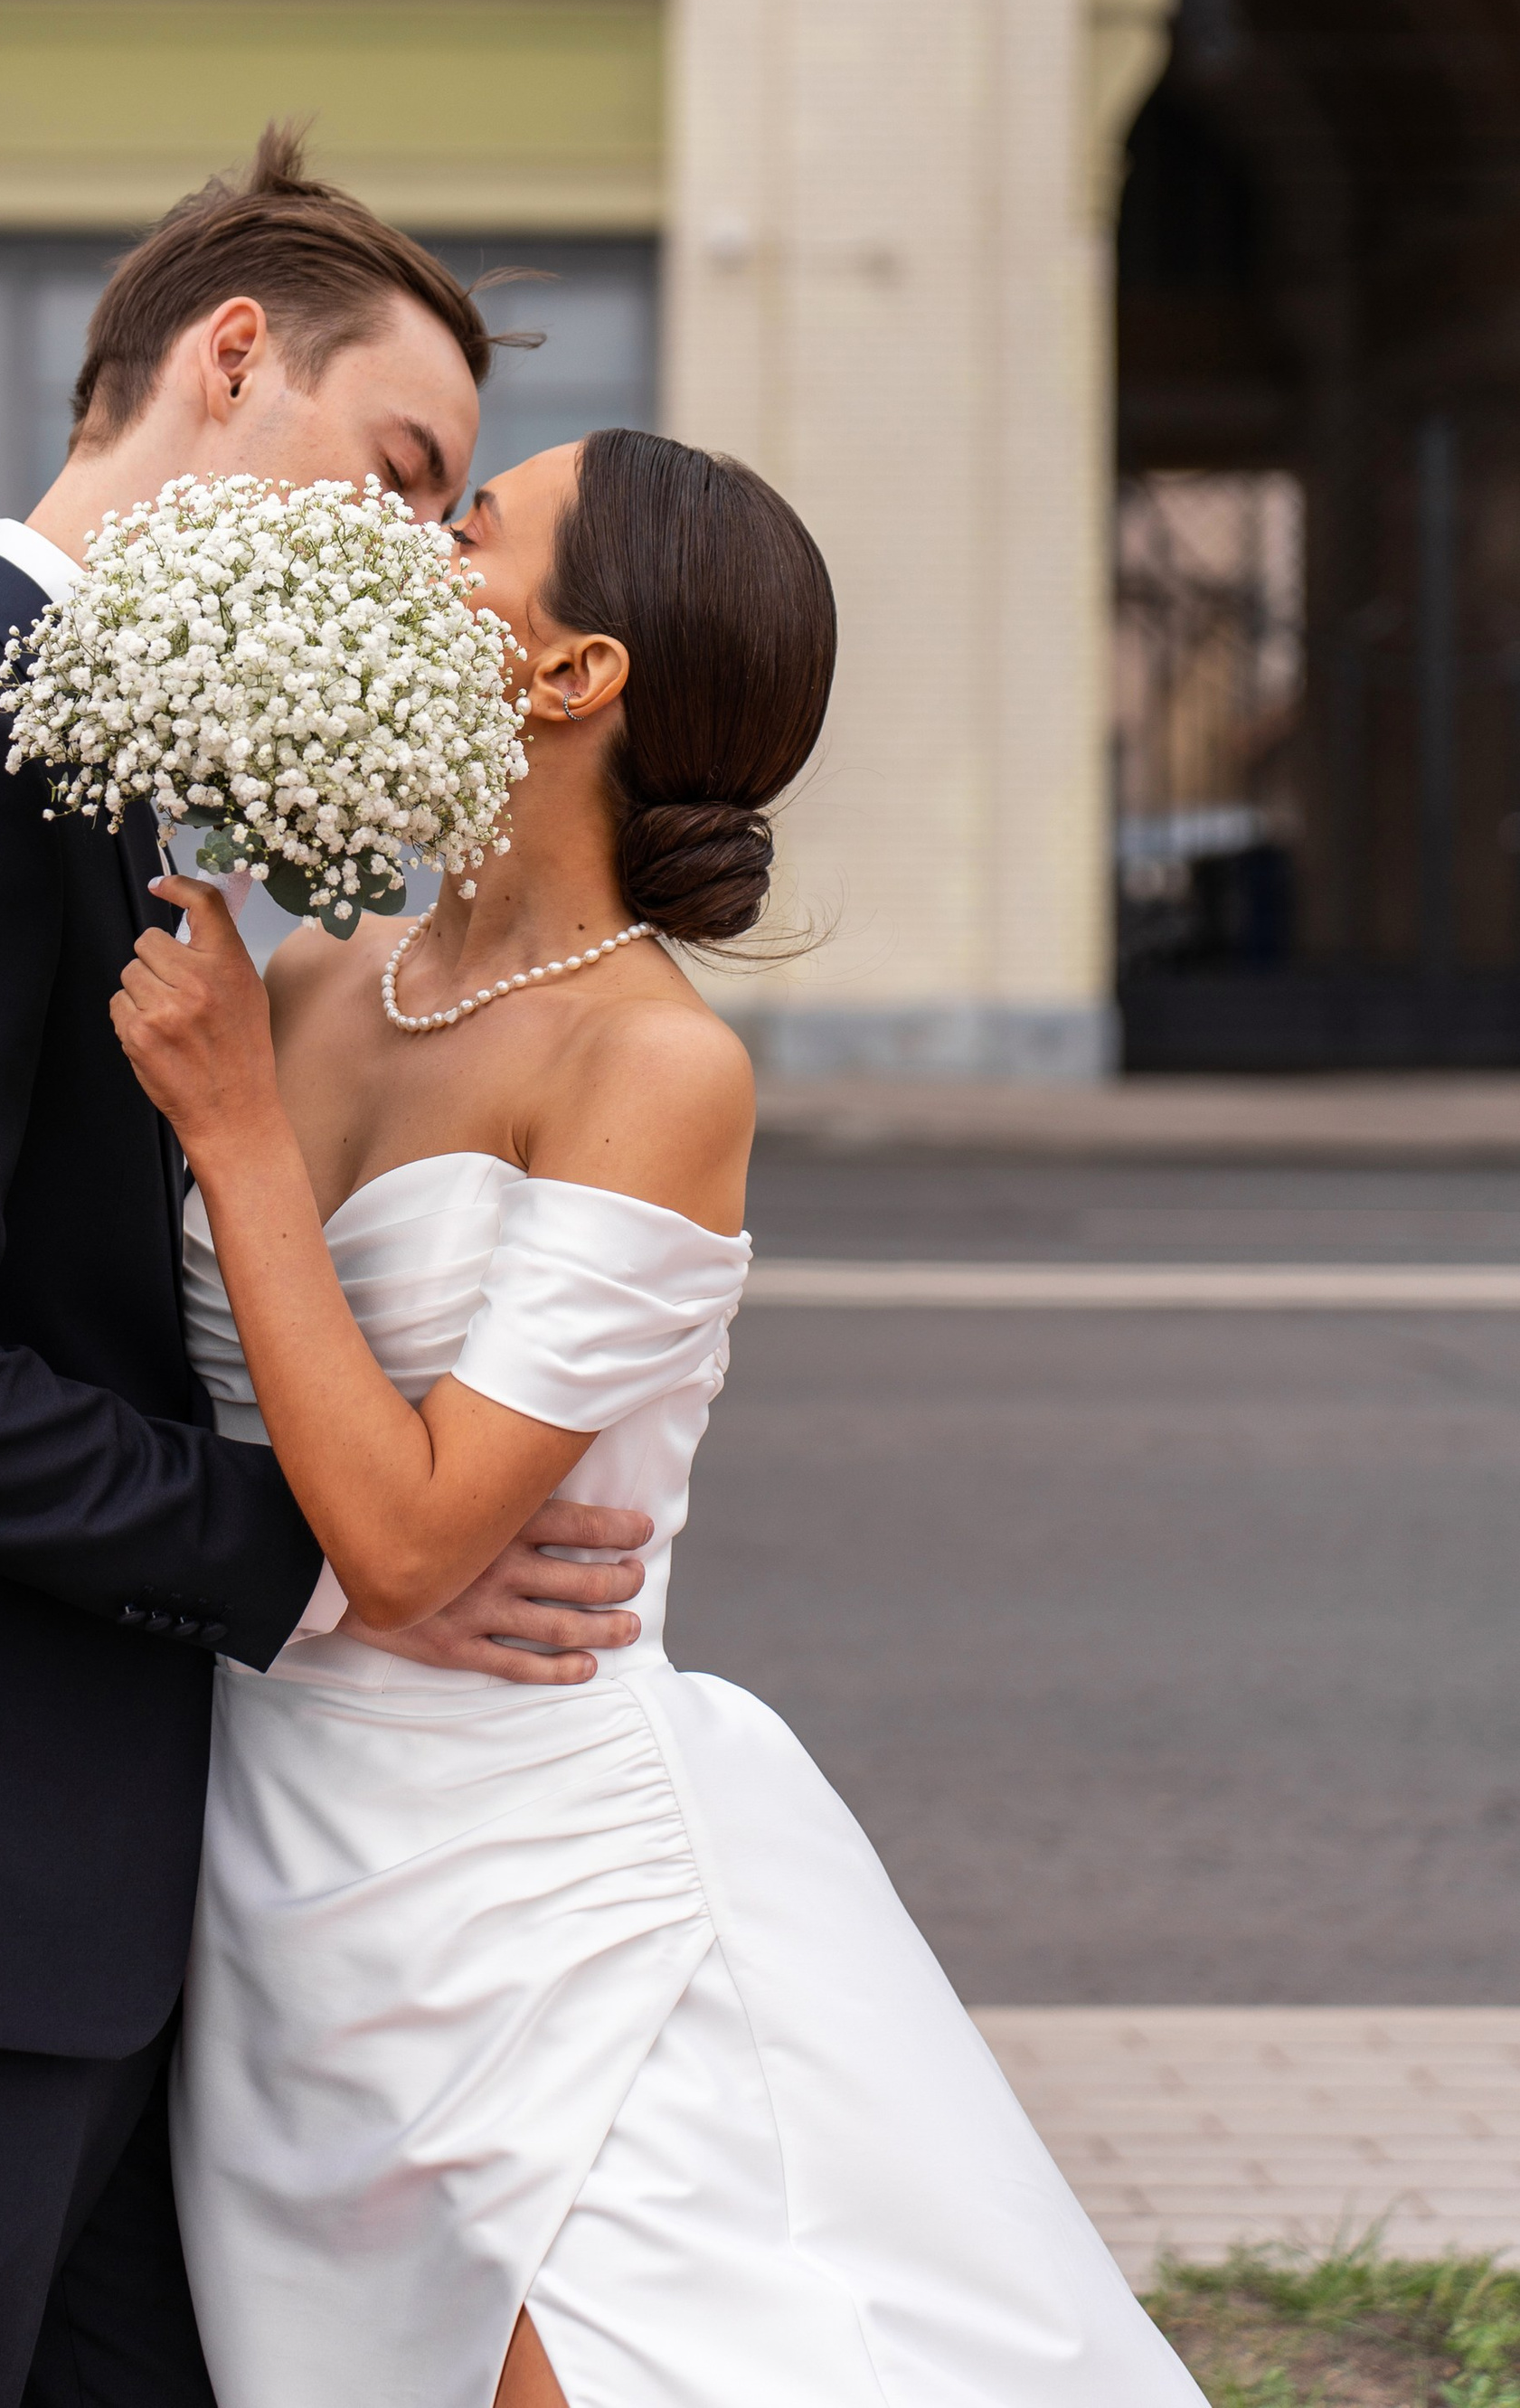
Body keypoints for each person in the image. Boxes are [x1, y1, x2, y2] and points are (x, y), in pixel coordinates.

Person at [0, 133, 659, 2408]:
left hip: (64, 1930)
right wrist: (315, 1564)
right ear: (230, 356)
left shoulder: (92, 783)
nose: (402, 560)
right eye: (395, 475)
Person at [116, 427, 1207, 2408]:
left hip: (535, 1896)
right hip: (270, 1862)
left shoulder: (654, 1064)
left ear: (569, 672)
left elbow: (415, 1540)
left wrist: (233, 1127)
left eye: (467, 527)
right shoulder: (318, 968)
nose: (405, 545)